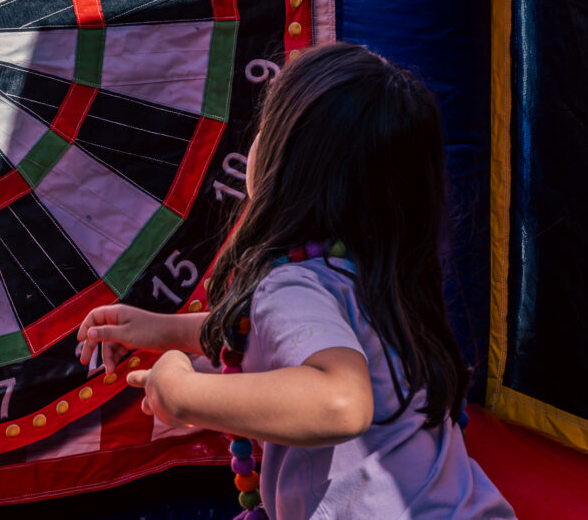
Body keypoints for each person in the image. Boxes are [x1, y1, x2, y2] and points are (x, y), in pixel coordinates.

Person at [77, 42, 515, 519]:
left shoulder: (291, 286)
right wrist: (161, 329)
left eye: (266, 125)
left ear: (286, 161)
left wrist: (179, 393)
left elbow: (340, 401)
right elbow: (271, 335)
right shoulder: (375, 276)